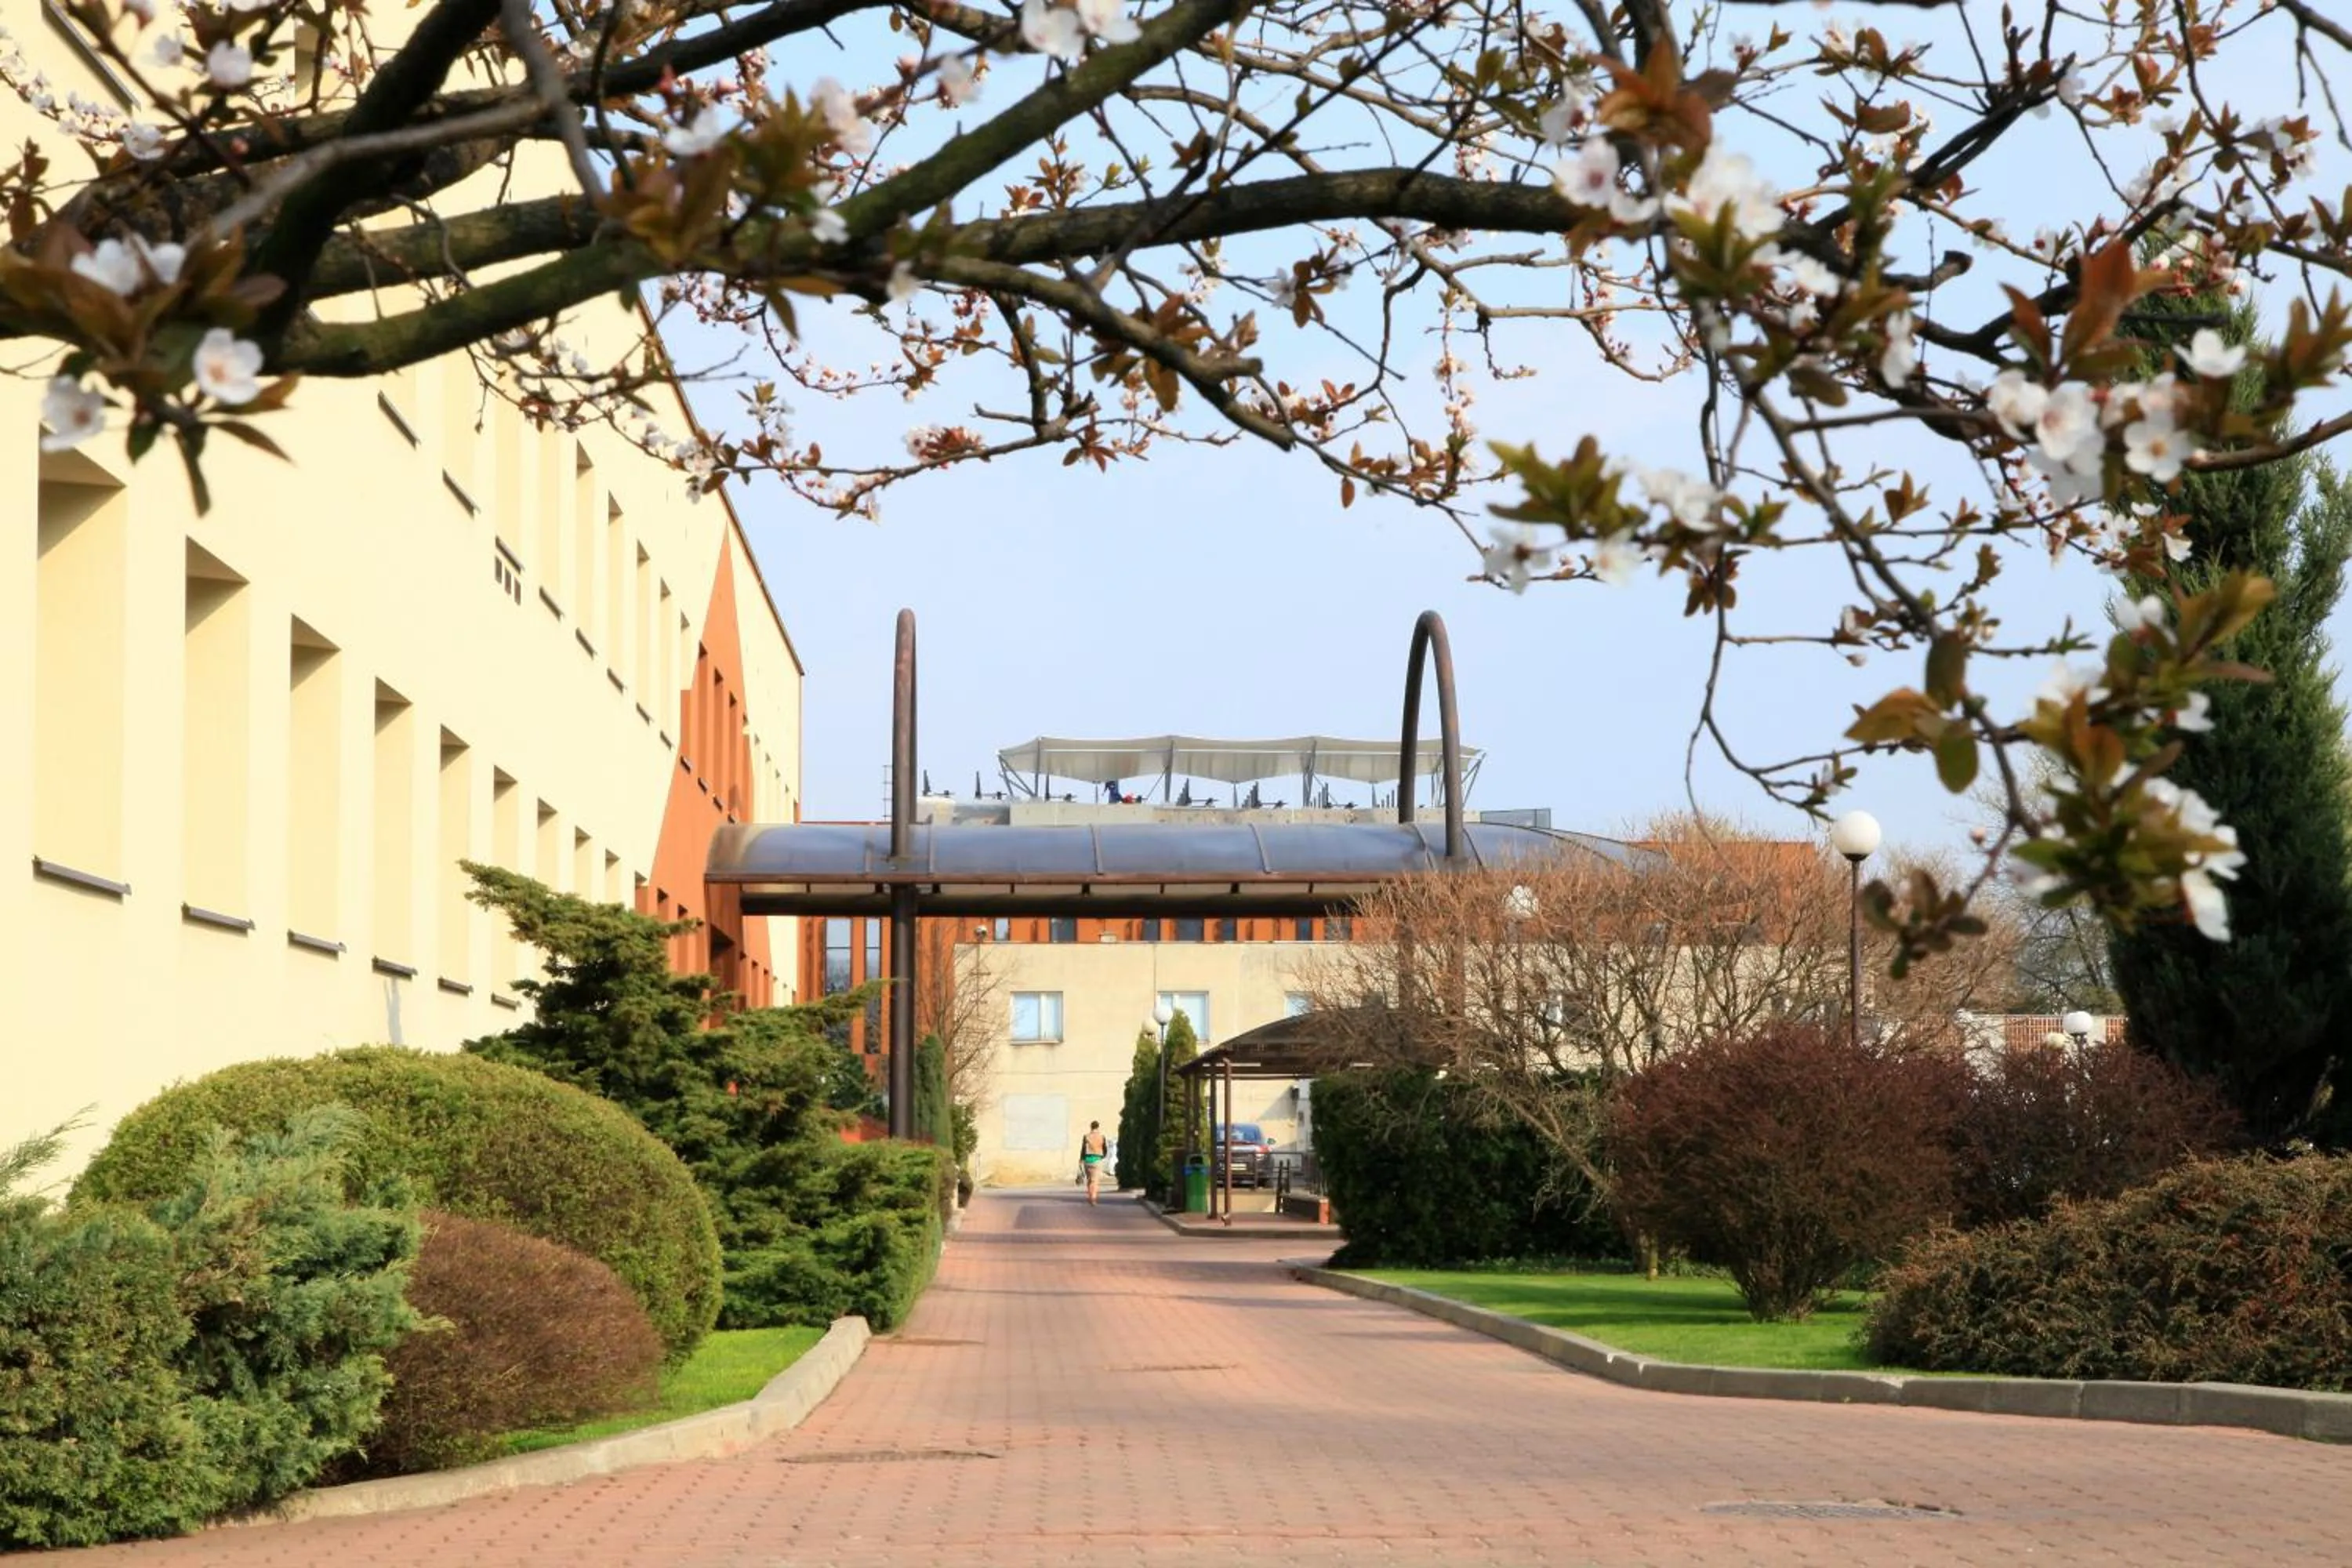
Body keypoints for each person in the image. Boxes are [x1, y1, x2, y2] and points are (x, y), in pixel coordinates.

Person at [1079, 1121, 1109, 1205]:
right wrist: (1103, 1156)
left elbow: (1083, 1149)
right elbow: (1105, 1149)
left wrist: (1081, 1159)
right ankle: (1093, 1198)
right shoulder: (1102, 1137)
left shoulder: (1086, 1136)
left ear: (1091, 1127)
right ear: (1098, 1127)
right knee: (1095, 1181)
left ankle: (1090, 1196)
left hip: (1087, 1160)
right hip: (1097, 1160)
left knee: (1089, 1180)